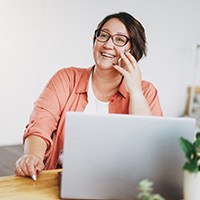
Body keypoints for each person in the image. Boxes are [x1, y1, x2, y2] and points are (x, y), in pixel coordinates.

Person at [15, 12, 163, 180]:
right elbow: (40, 125)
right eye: (103, 35)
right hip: (62, 177)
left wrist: (135, 92)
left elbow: (149, 150)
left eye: (120, 39)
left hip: (121, 182)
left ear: (133, 50)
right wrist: (33, 156)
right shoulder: (66, 78)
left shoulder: (147, 92)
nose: (107, 44)